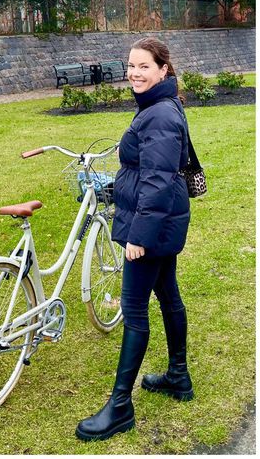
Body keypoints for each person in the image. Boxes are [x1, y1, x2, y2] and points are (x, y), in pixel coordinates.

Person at [76, 37, 192, 441]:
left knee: (134, 309)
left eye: (144, 66)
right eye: (131, 65)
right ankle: (179, 376)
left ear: (163, 70)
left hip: (153, 227)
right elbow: (149, 171)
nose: (135, 73)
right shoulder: (160, 106)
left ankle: (120, 407)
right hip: (164, 222)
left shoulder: (159, 115)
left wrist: (138, 236)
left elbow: (157, 181)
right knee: (169, 296)